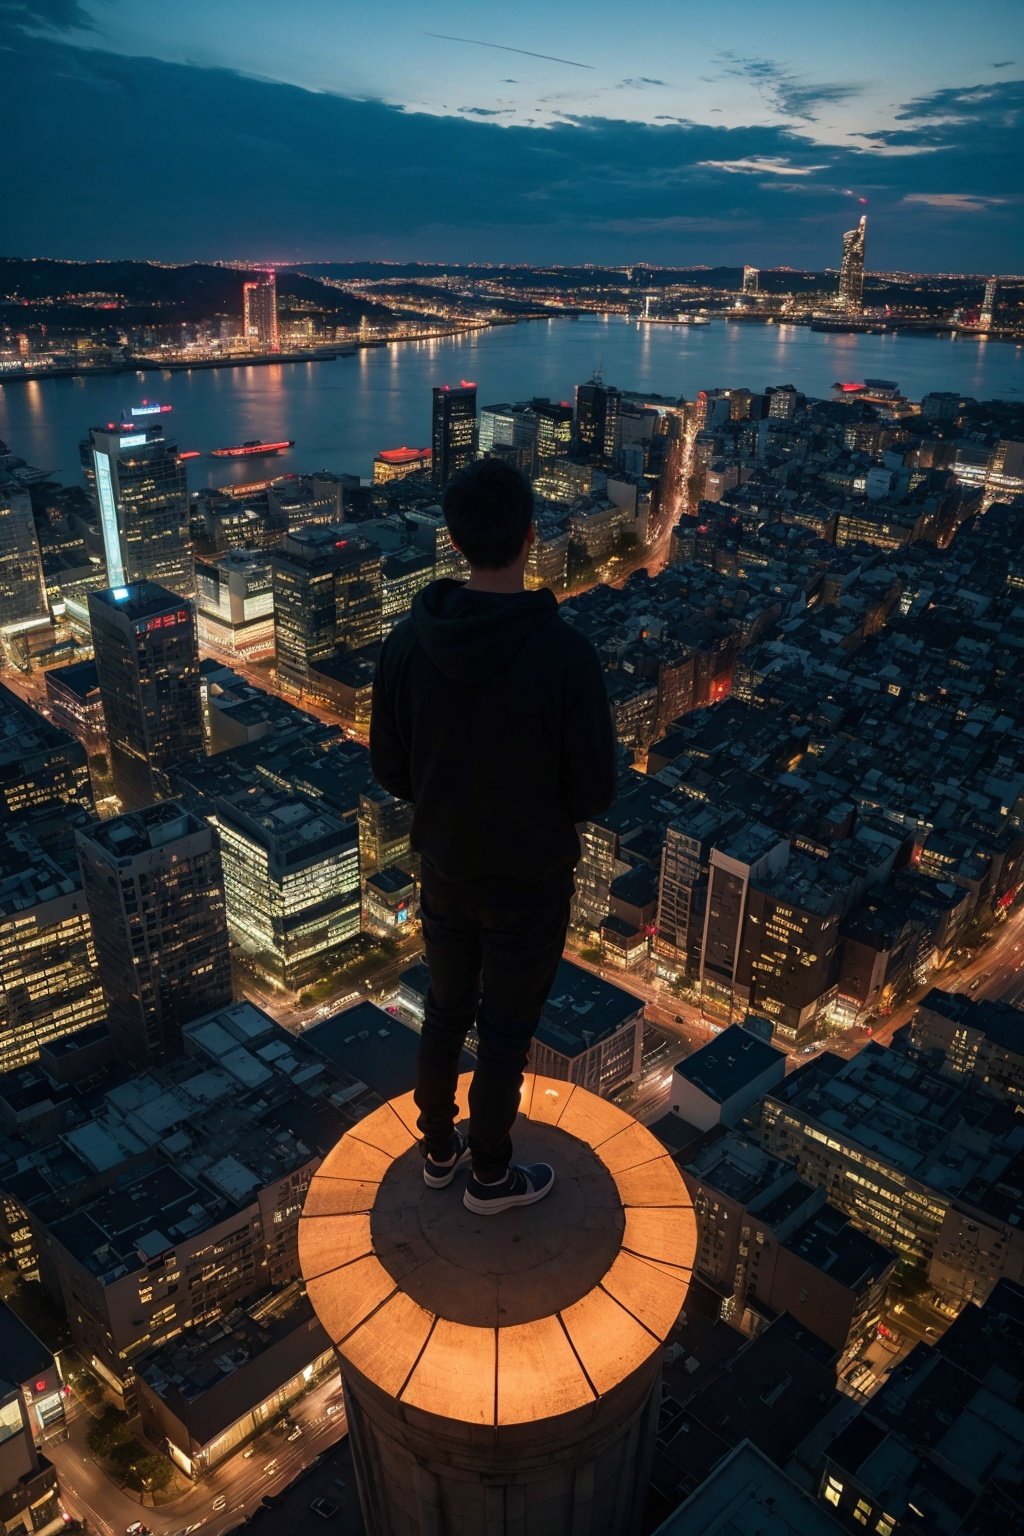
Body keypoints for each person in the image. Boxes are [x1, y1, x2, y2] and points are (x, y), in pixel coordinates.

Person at [370, 458, 617, 1214]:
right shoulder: (566, 657)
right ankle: (490, 1173)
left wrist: (445, 801)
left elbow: (390, 767)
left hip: (445, 867)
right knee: (505, 1028)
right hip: (531, 878)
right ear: (532, 536)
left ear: (454, 542)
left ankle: (438, 1150)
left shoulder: (408, 646)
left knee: (445, 1008)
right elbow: (595, 791)